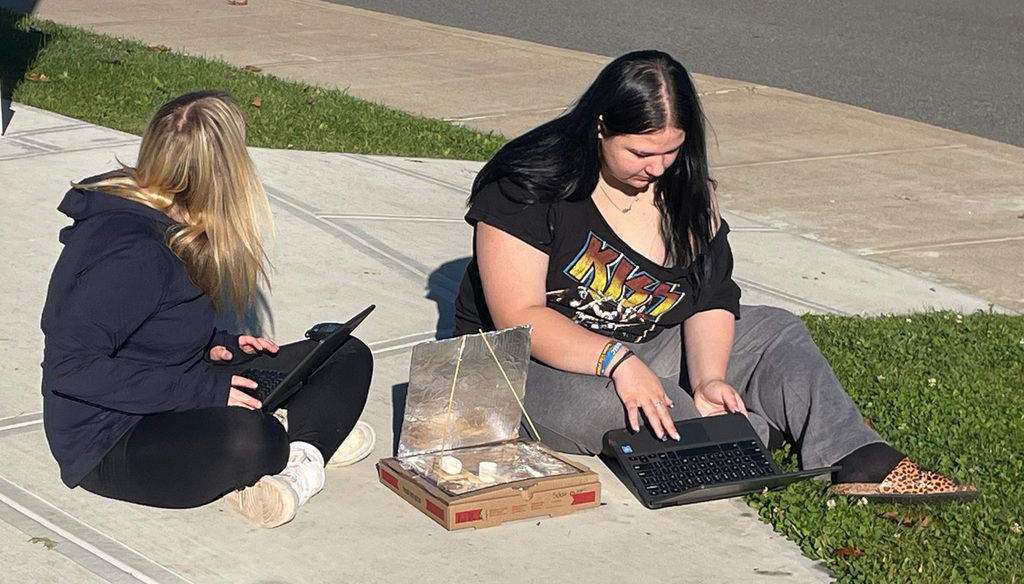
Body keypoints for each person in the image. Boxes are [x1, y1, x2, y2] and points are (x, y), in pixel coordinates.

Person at [453, 51, 977, 503]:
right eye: (640, 152)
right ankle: (736, 433)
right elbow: (517, 316)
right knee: (656, 409)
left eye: (671, 150)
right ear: (600, 127)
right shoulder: (527, 184)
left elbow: (710, 298)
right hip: (529, 364)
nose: (658, 168)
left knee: (777, 330)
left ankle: (855, 454)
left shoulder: (687, 191)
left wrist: (709, 375)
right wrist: (618, 362)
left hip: (644, 342)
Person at [40, 90, 376, 528]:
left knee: (344, 353)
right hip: (114, 437)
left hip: (179, 384)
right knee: (256, 441)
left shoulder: (176, 219)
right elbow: (70, 368)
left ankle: (303, 456)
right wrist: (203, 394)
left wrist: (217, 344)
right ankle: (305, 449)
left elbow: (152, 324)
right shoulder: (133, 255)